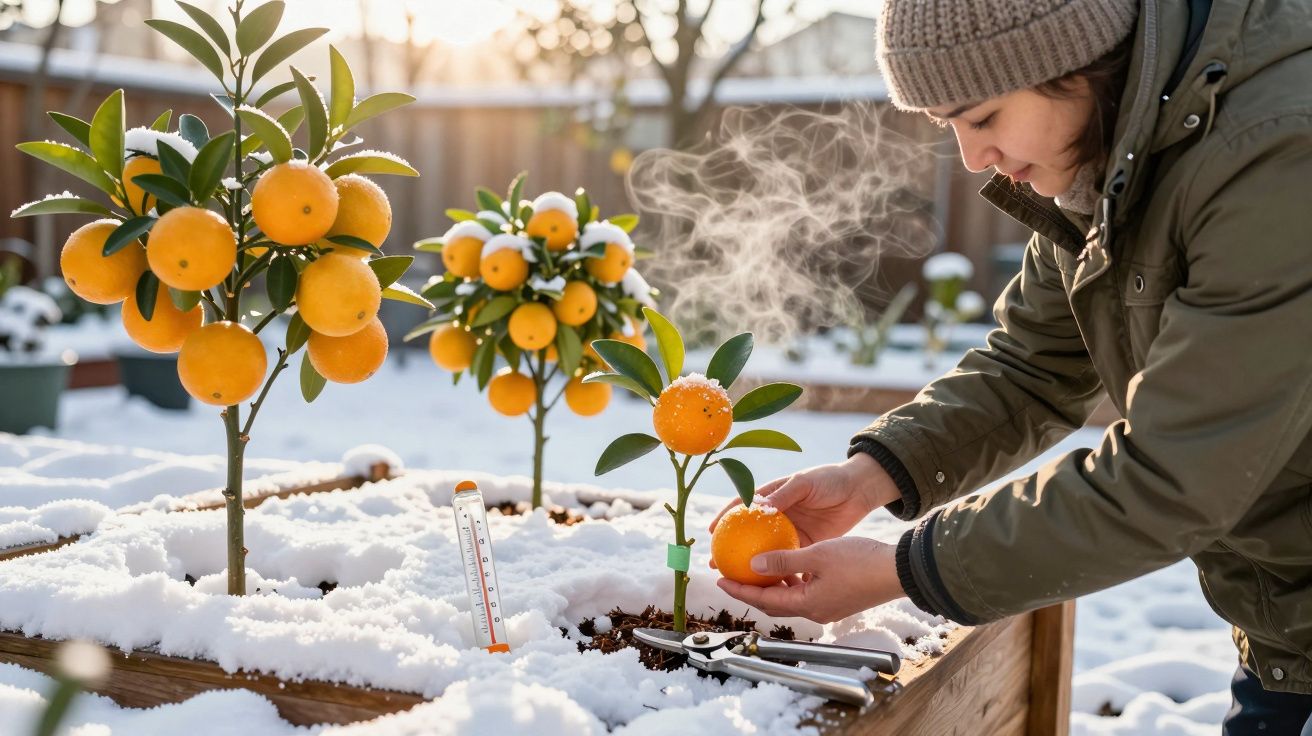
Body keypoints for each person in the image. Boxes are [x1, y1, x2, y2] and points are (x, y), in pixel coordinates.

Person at [708, 0, 1312, 732]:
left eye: (983, 116)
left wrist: (907, 569)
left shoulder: (1275, 152)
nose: (972, 158)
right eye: (950, 127)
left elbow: (1175, 475)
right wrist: (873, 475)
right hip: (1288, 640)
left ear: (1073, 59)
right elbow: (1033, 365)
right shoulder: (1108, 155)